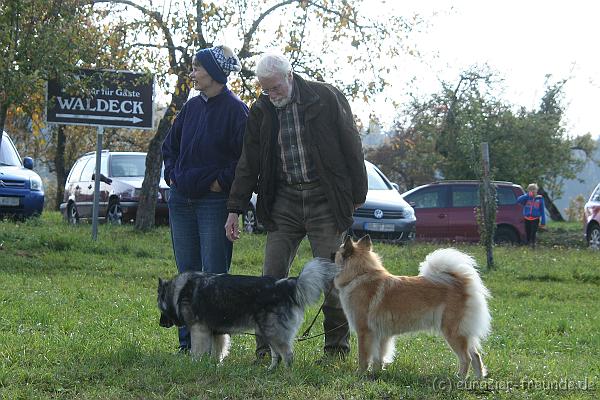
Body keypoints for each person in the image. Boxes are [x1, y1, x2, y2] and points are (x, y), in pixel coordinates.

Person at [224, 53, 368, 361]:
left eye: (275, 87)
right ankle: (265, 351)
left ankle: (335, 352)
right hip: (284, 202)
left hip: (324, 200)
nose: (271, 95)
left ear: (289, 77)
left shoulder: (325, 96)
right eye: (265, 89)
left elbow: (351, 143)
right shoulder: (261, 110)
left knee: (334, 277)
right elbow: (248, 162)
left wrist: (357, 193)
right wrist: (235, 207)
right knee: (271, 278)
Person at [162, 45, 248, 352]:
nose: (192, 73)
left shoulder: (236, 110)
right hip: (181, 201)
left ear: (213, 72)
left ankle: (214, 348)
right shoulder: (191, 107)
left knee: (213, 278)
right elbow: (169, 147)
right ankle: (188, 346)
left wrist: (218, 183)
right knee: (187, 276)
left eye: (197, 67)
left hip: (213, 204)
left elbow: (244, 160)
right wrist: (172, 175)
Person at [517, 183, 546, 248]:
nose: (532, 190)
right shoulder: (526, 198)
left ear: (537, 190)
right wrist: (527, 195)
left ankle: (533, 245)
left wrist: (543, 222)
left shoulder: (540, 199)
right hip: (527, 218)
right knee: (528, 232)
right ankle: (528, 245)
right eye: (530, 189)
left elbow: (542, 211)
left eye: (534, 189)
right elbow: (518, 200)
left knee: (533, 233)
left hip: (535, 219)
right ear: (528, 190)